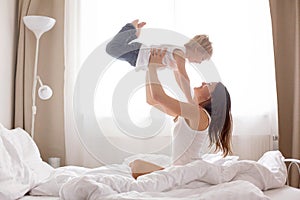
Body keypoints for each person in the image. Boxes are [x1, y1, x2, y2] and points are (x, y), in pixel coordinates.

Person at [129, 48, 232, 179]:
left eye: (208, 84)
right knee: (136, 165)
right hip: (182, 171)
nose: (203, 82)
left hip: (188, 172)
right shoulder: (192, 113)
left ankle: (169, 176)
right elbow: (151, 100)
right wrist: (150, 67)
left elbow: (157, 96)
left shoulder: (199, 114)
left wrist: (153, 66)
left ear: (211, 97)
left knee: (137, 165)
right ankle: (169, 175)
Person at [106, 19, 213, 103]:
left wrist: (187, 97)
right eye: (202, 59)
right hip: (138, 53)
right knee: (112, 49)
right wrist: (191, 100)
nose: (200, 62)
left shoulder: (179, 58)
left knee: (115, 49)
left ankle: (134, 34)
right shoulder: (180, 53)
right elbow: (183, 76)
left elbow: (179, 80)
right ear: (196, 50)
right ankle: (131, 28)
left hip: (138, 59)